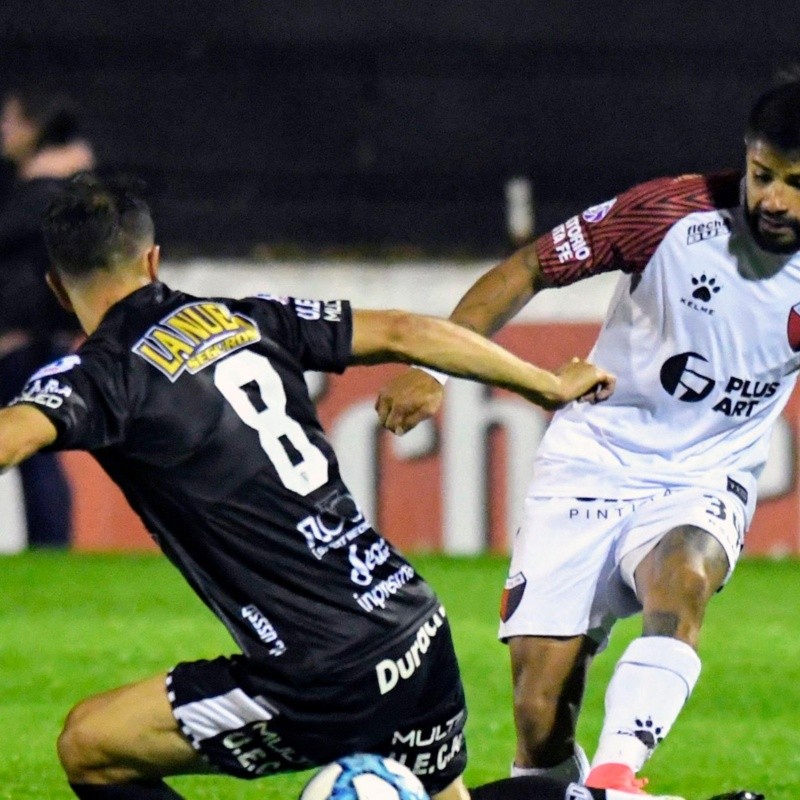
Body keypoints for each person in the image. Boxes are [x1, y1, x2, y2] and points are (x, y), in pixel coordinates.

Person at [0, 172, 619, 800]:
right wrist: (544, 385)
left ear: (56, 286)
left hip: (323, 671)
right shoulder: (250, 318)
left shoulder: (100, 373)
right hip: (412, 625)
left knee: (89, 745)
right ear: (153, 258)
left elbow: (11, 439)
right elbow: (408, 330)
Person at [375, 74, 800, 796]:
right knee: (540, 714)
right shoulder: (666, 214)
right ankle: (577, 785)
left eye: (796, 184)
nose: (774, 200)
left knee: (684, 576)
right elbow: (528, 269)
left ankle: (613, 775)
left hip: (703, 474)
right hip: (593, 459)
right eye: (763, 175)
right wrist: (431, 367)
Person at [0, 85, 95, 546]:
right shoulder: (66, 190)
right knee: (36, 451)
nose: (4, 129)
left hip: (29, 343)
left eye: (12, 120)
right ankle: (50, 546)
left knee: (35, 450)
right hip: (42, 340)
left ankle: (51, 545)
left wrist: (40, 332)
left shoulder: (42, 196)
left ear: (35, 128)